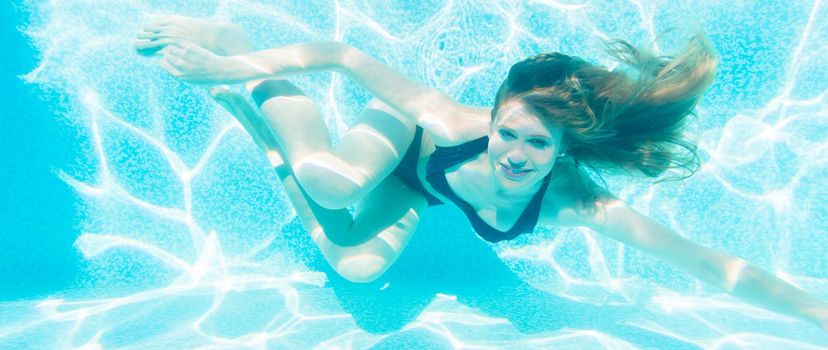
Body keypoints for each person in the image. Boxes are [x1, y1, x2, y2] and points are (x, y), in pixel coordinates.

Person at [134, 15, 828, 331]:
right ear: (491, 120)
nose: (514, 154)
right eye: (508, 132)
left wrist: (816, 314)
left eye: (537, 144)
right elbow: (343, 55)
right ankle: (235, 51)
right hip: (394, 142)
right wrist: (231, 63)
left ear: (564, 151)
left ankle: (245, 111)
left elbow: (706, 265)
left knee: (356, 268)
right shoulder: (450, 122)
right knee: (334, 183)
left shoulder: (573, 202)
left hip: (415, 189)